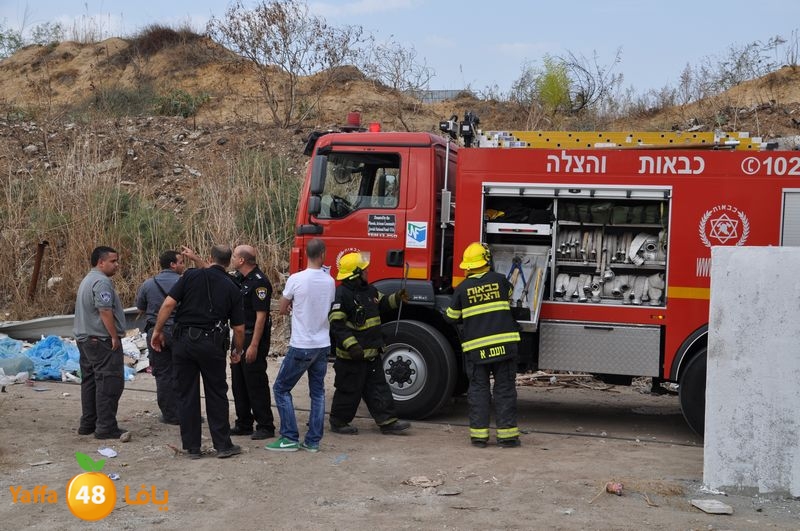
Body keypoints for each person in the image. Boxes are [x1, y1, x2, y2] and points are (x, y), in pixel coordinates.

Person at [150, 245, 245, 459]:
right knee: (216, 393)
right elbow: (238, 328)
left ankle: (192, 447)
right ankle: (222, 445)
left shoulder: (190, 276)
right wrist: (237, 350)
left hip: (183, 342)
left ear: (210, 258)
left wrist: (157, 331)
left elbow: (167, 305)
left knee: (186, 394)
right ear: (229, 262)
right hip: (212, 345)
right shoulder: (232, 287)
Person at [444, 242, 522, 448]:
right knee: (504, 390)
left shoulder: (462, 289)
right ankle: (507, 437)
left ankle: (479, 437)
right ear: (487, 261)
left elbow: (451, 317)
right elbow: (509, 295)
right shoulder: (500, 281)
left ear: (467, 266)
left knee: (478, 391)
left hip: (477, 351)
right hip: (504, 347)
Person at [327, 251, 411, 435]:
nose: (367, 272)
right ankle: (339, 422)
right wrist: (352, 345)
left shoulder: (369, 290)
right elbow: (337, 324)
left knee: (378, 387)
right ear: (356, 274)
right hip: (352, 356)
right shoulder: (343, 294)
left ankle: (388, 422)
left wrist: (397, 298)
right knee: (349, 390)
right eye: (364, 270)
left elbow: (382, 303)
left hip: (371, 353)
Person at [266, 238, 335, 453]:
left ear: (306, 255)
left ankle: (289, 436)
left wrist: (292, 307)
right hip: (322, 343)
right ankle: (313, 441)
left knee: (281, 388)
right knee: (318, 393)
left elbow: (283, 307)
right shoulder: (329, 280)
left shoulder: (296, 279)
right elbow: (328, 305)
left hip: (302, 344)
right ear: (323, 254)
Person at [73, 246, 128, 440]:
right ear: (101, 262)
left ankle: (88, 423)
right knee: (109, 382)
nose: (117, 265)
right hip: (101, 340)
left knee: (90, 381)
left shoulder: (87, 279)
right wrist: (113, 335)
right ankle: (105, 427)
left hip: (86, 339)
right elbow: (104, 310)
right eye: (113, 261)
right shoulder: (101, 281)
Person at [229, 244, 276, 441]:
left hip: (251, 335)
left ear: (241, 260)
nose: (231, 258)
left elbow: (261, 317)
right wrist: (196, 259)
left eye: (234, 256)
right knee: (238, 380)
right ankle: (244, 422)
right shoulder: (240, 278)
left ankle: (265, 424)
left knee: (254, 380)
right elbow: (214, 272)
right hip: (239, 334)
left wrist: (254, 345)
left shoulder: (259, 283)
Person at [135, 250, 185, 425]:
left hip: (156, 332)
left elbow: (140, 306)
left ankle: (169, 414)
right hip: (181, 333)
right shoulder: (184, 282)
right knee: (184, 373)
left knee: (163, 374)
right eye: (181, 262)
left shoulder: (148, 284)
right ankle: (186, 412)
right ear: (172, 264)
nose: (183, 265)